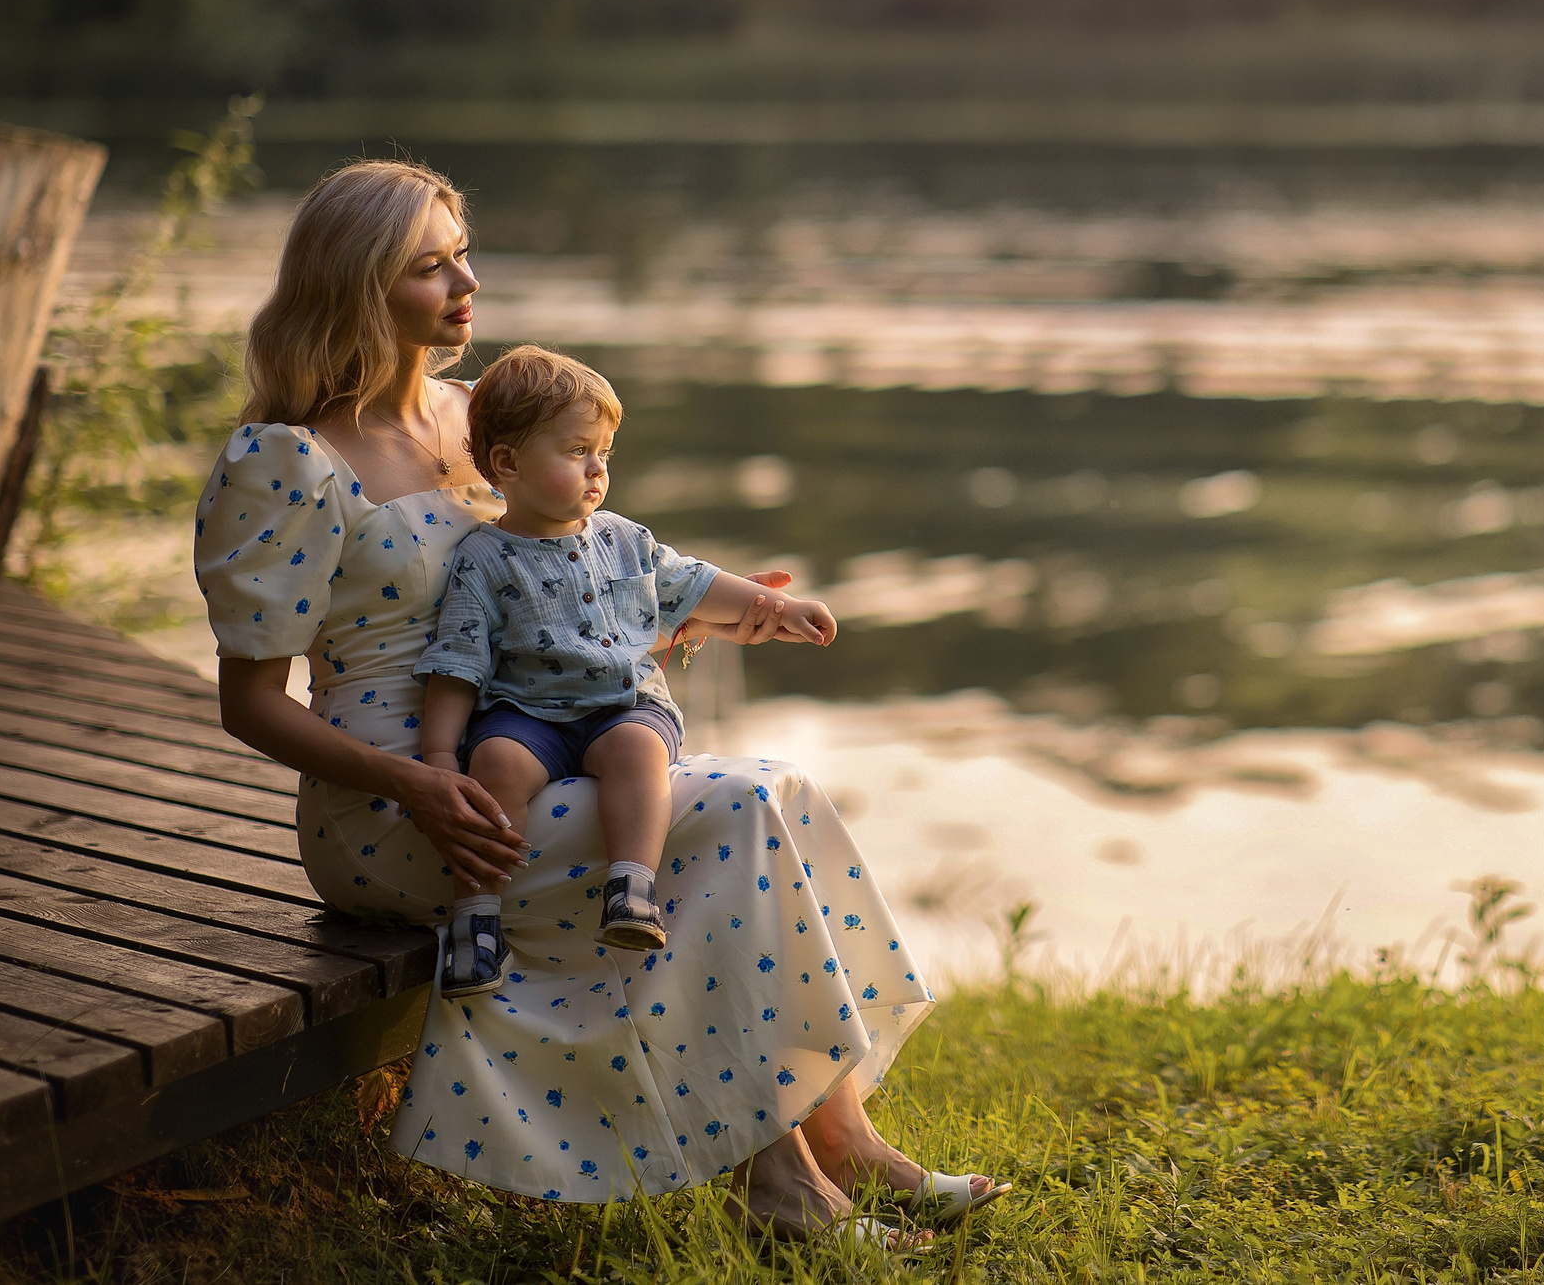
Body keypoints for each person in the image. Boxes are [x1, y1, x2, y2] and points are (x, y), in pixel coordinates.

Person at [196, 160, 1007, 1243]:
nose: (466, 282)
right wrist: (414, 783)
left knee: (773, 793)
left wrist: (707, 617)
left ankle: (838, 1140)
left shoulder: (471, 415)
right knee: (730, 812)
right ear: (356, 285)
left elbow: (555, 589)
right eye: (431, 267)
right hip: (406, 798)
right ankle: (787, 1191)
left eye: (461, 255)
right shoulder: (287, 460)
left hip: (535, 738)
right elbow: (250, 705)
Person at [415, 344, 838, 993]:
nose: (596, 470)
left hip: (622, 702)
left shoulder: (622, 538)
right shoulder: (484, 558)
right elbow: (458, 661)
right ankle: (477, 919)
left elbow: (693, 583)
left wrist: (778, 607)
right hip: (528, 711)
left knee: (639, 749)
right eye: (577, 451)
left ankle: (632, 888)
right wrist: (440, 751)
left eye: (603, 454)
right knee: (494, 762)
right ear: (508, 462)